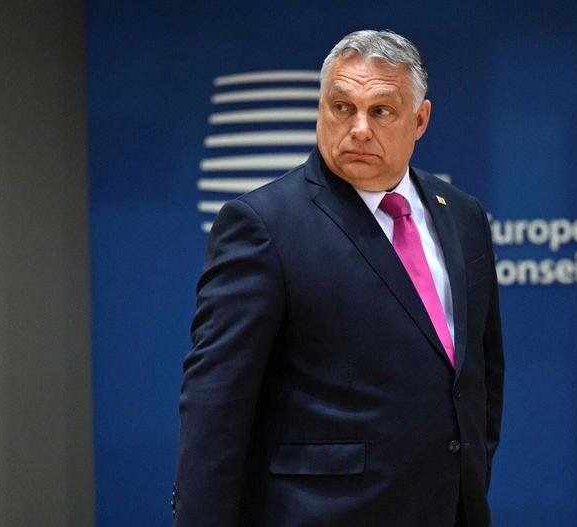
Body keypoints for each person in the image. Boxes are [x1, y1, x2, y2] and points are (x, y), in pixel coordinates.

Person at [173, 29, 504, 527]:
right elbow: (216, 406)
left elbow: (479, 374)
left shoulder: (463, 215)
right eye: (342, 107)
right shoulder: (264, 224)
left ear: (420, 120)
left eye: (382, 111)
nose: (359, 128)